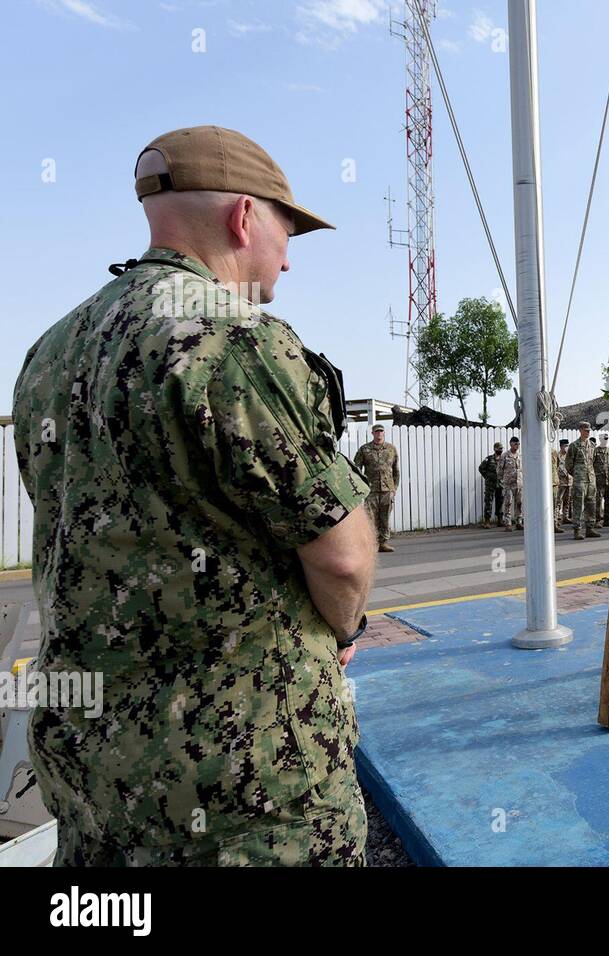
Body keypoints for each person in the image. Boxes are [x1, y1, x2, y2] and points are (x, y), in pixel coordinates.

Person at [11, 125, 375, 865]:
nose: (289, 256)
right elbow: (340, 557)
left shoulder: (50, 351)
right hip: (239, 787)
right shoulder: (234, 336)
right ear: (244, 217)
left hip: (93, 772)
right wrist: (340, 633)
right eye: (287, 227)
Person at [355, 424, 400, 552]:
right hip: (371, 490)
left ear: (384, 433)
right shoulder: (365, 449)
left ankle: (383, 543)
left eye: (381, 431)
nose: (379, 434)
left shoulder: (391, 449)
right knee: (370, 518)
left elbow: (396, 471)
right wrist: (361, 486)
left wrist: (394, 487)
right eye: (376, 432)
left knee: (384, 518)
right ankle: (372, 544)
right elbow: (356, 468)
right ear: (372, 433)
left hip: (387, 490)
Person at [564, 421, 602, 540]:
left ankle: (590, 528)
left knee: (591, 504)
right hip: (580, 479)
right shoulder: (574, 446)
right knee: (578, 505)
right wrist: (576, 473)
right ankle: (577, 530)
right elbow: (568, 464)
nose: (587, 432)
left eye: (589, 430)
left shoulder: (592, 445)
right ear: (580, 430)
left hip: (591, 479)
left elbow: (594, 461)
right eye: (585, 430)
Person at [500, 436, 523, 530]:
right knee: (508, 503)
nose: (517, 446)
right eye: (515, 444)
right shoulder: (505, 455)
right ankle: (508, 523)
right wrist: (502, 481)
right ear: (510, 444)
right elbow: (499, 470)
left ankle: (519, 522)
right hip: (508, 484)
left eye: (518, 444)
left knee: (519, 503)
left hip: (518, 483)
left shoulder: (520, 456)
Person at [479, 441, 504, 528]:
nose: (500, 450)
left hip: (500, 484)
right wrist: (487, 477)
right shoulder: (489, 459)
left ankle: (500, 520)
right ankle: (487, 521)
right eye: (498, 449)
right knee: (488, 502)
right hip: (490, 484)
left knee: (500, 502)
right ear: (494, 449)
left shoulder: (503, 459)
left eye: (501, 449)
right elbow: (481, 468)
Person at [594, 433, 609, 527]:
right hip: (599, 480)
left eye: (607, 439)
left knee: (608, 500)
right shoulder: (595, 451)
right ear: (600, 439)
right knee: (598, 501)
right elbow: (591, 464)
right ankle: (597, 520)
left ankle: (607, 520)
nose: (605, 440)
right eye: (604, 439)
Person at [551, 443, 568, 533]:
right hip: (543, 483)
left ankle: (554, 524)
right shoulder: (537, 451)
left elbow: (556, 465)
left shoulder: (553, 452)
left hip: (554, 482)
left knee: (555, 503)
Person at [557, 438, 573, 523]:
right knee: (558, 501)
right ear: (561, 446)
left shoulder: (569, 456)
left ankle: (565, 517)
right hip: (561, 481)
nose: (566, 447)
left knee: (567, 500)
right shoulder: (557, 456)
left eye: (567, 446)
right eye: (565, 446)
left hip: (569, 481)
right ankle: (557, 517)